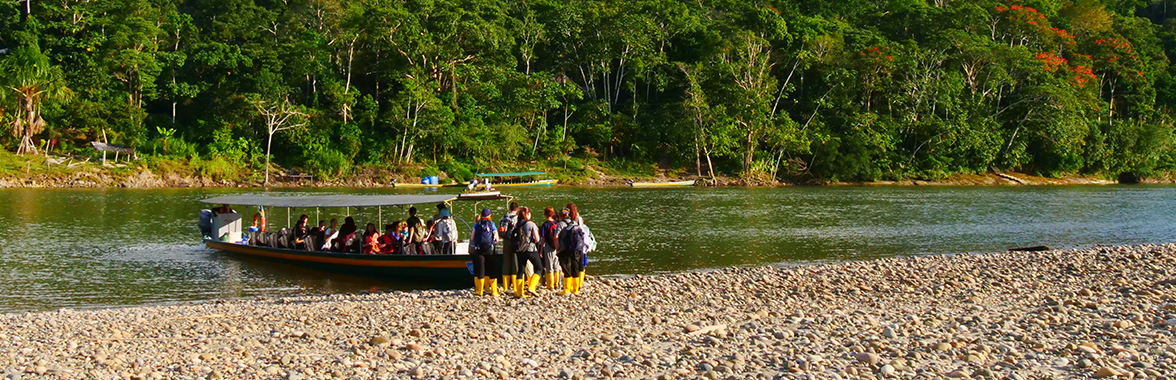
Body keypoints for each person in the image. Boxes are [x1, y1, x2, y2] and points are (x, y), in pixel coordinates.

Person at [469, 208, 500, 296]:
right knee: (491, 269)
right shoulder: (492, 224)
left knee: (480, 269)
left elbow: (472, 238)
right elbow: (497, 238)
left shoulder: (477, 224)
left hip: (479, 249)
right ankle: (494, 291)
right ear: (489, 216)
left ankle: (479, 291)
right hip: (490, 249)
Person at [513, 207, 542, 298]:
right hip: (530, 249)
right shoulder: (531, 224)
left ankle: (519, 292)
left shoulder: (517, 224)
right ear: (527, 214)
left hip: (520, 250)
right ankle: (532, 287)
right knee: (539, 268)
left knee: (521, 270)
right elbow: (537, 239)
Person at [557, 207, 586, 295]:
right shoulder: (574, 224)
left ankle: (566, 289)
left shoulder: (562, 225)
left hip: (566, 249)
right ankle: (575, 289)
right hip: (577, 248)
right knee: (575, 269)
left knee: (566, 269)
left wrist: (557, 248)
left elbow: (557, 237)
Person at [499, 202, 521, 293]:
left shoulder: (503, 217)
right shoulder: (516, 218)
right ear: (517, 209)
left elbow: (500, 228)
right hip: (513, 241)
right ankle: (515, 287)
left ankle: (505, 286)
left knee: (506, 262)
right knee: (515, 262)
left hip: (505, 241)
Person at [539, 206, 561, 289]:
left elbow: (543, 238)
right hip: (557, 246)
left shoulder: (545, 224)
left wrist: (541, 249)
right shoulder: (556, 223)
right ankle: (557, 283)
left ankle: (550, 285)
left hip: (549, 246)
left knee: (549, 266)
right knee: (556, 265)